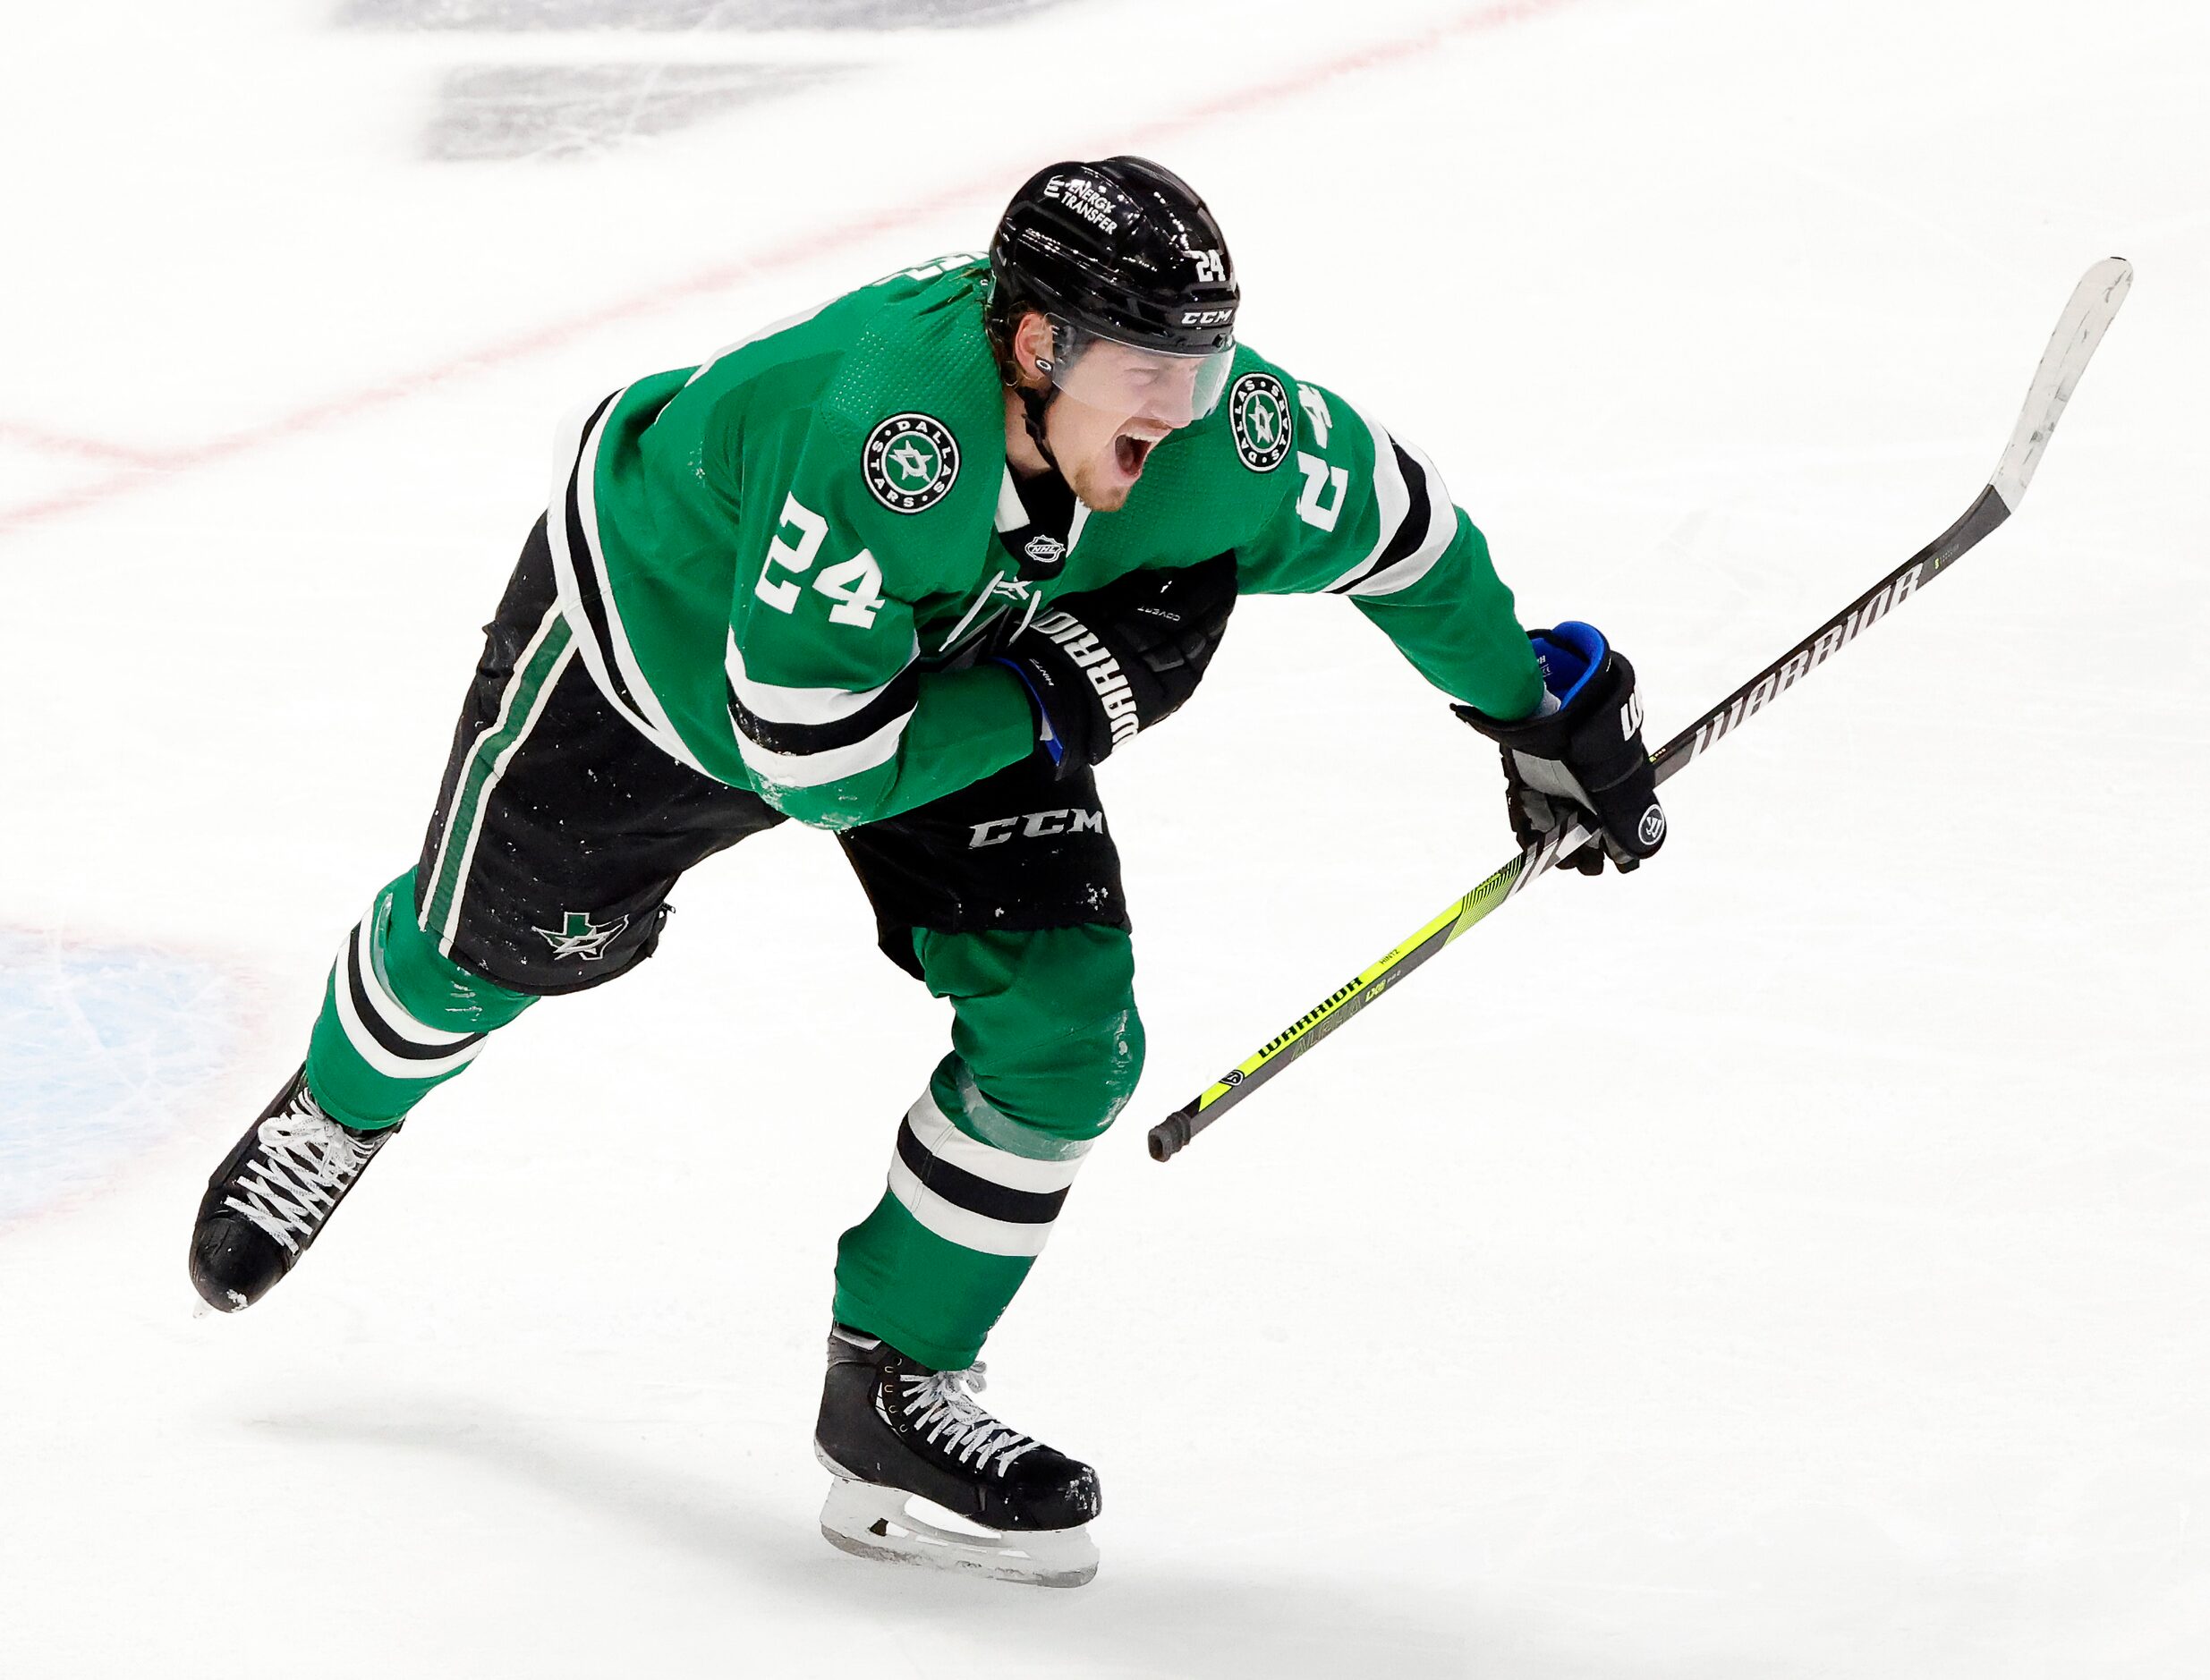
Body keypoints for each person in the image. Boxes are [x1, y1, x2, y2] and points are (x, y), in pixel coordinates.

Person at [187, 156, 1666, 1587]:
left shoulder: (1228, 430)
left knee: (1068, 1026)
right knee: (488, 955)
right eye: (1142, 370)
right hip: (665, 654)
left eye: (1200, 368)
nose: (1183, 411)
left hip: (954, 661)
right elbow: (811, 755)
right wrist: (1063, 697)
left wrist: (1525, 702)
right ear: (1035, 342)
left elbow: (1400, 532)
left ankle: (893, 1386)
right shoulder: (883, 438)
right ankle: (338, 1103)